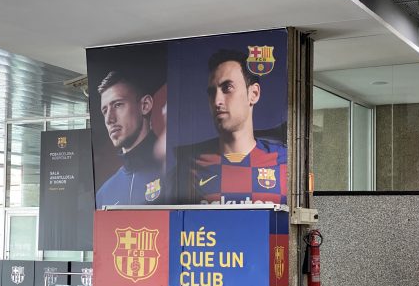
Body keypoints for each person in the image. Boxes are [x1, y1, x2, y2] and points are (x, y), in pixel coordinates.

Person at [175, 49, 287, 205]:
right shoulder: (190, 167)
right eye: (212, 92)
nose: (217, 101)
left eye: (227, 88)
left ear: (253, 94)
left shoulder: (285, 162)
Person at [95, 70, 165, 207]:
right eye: (105, 111)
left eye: (117, 105)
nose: (109, 119)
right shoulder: (103, 194)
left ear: (145, 105)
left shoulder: (176, 170)